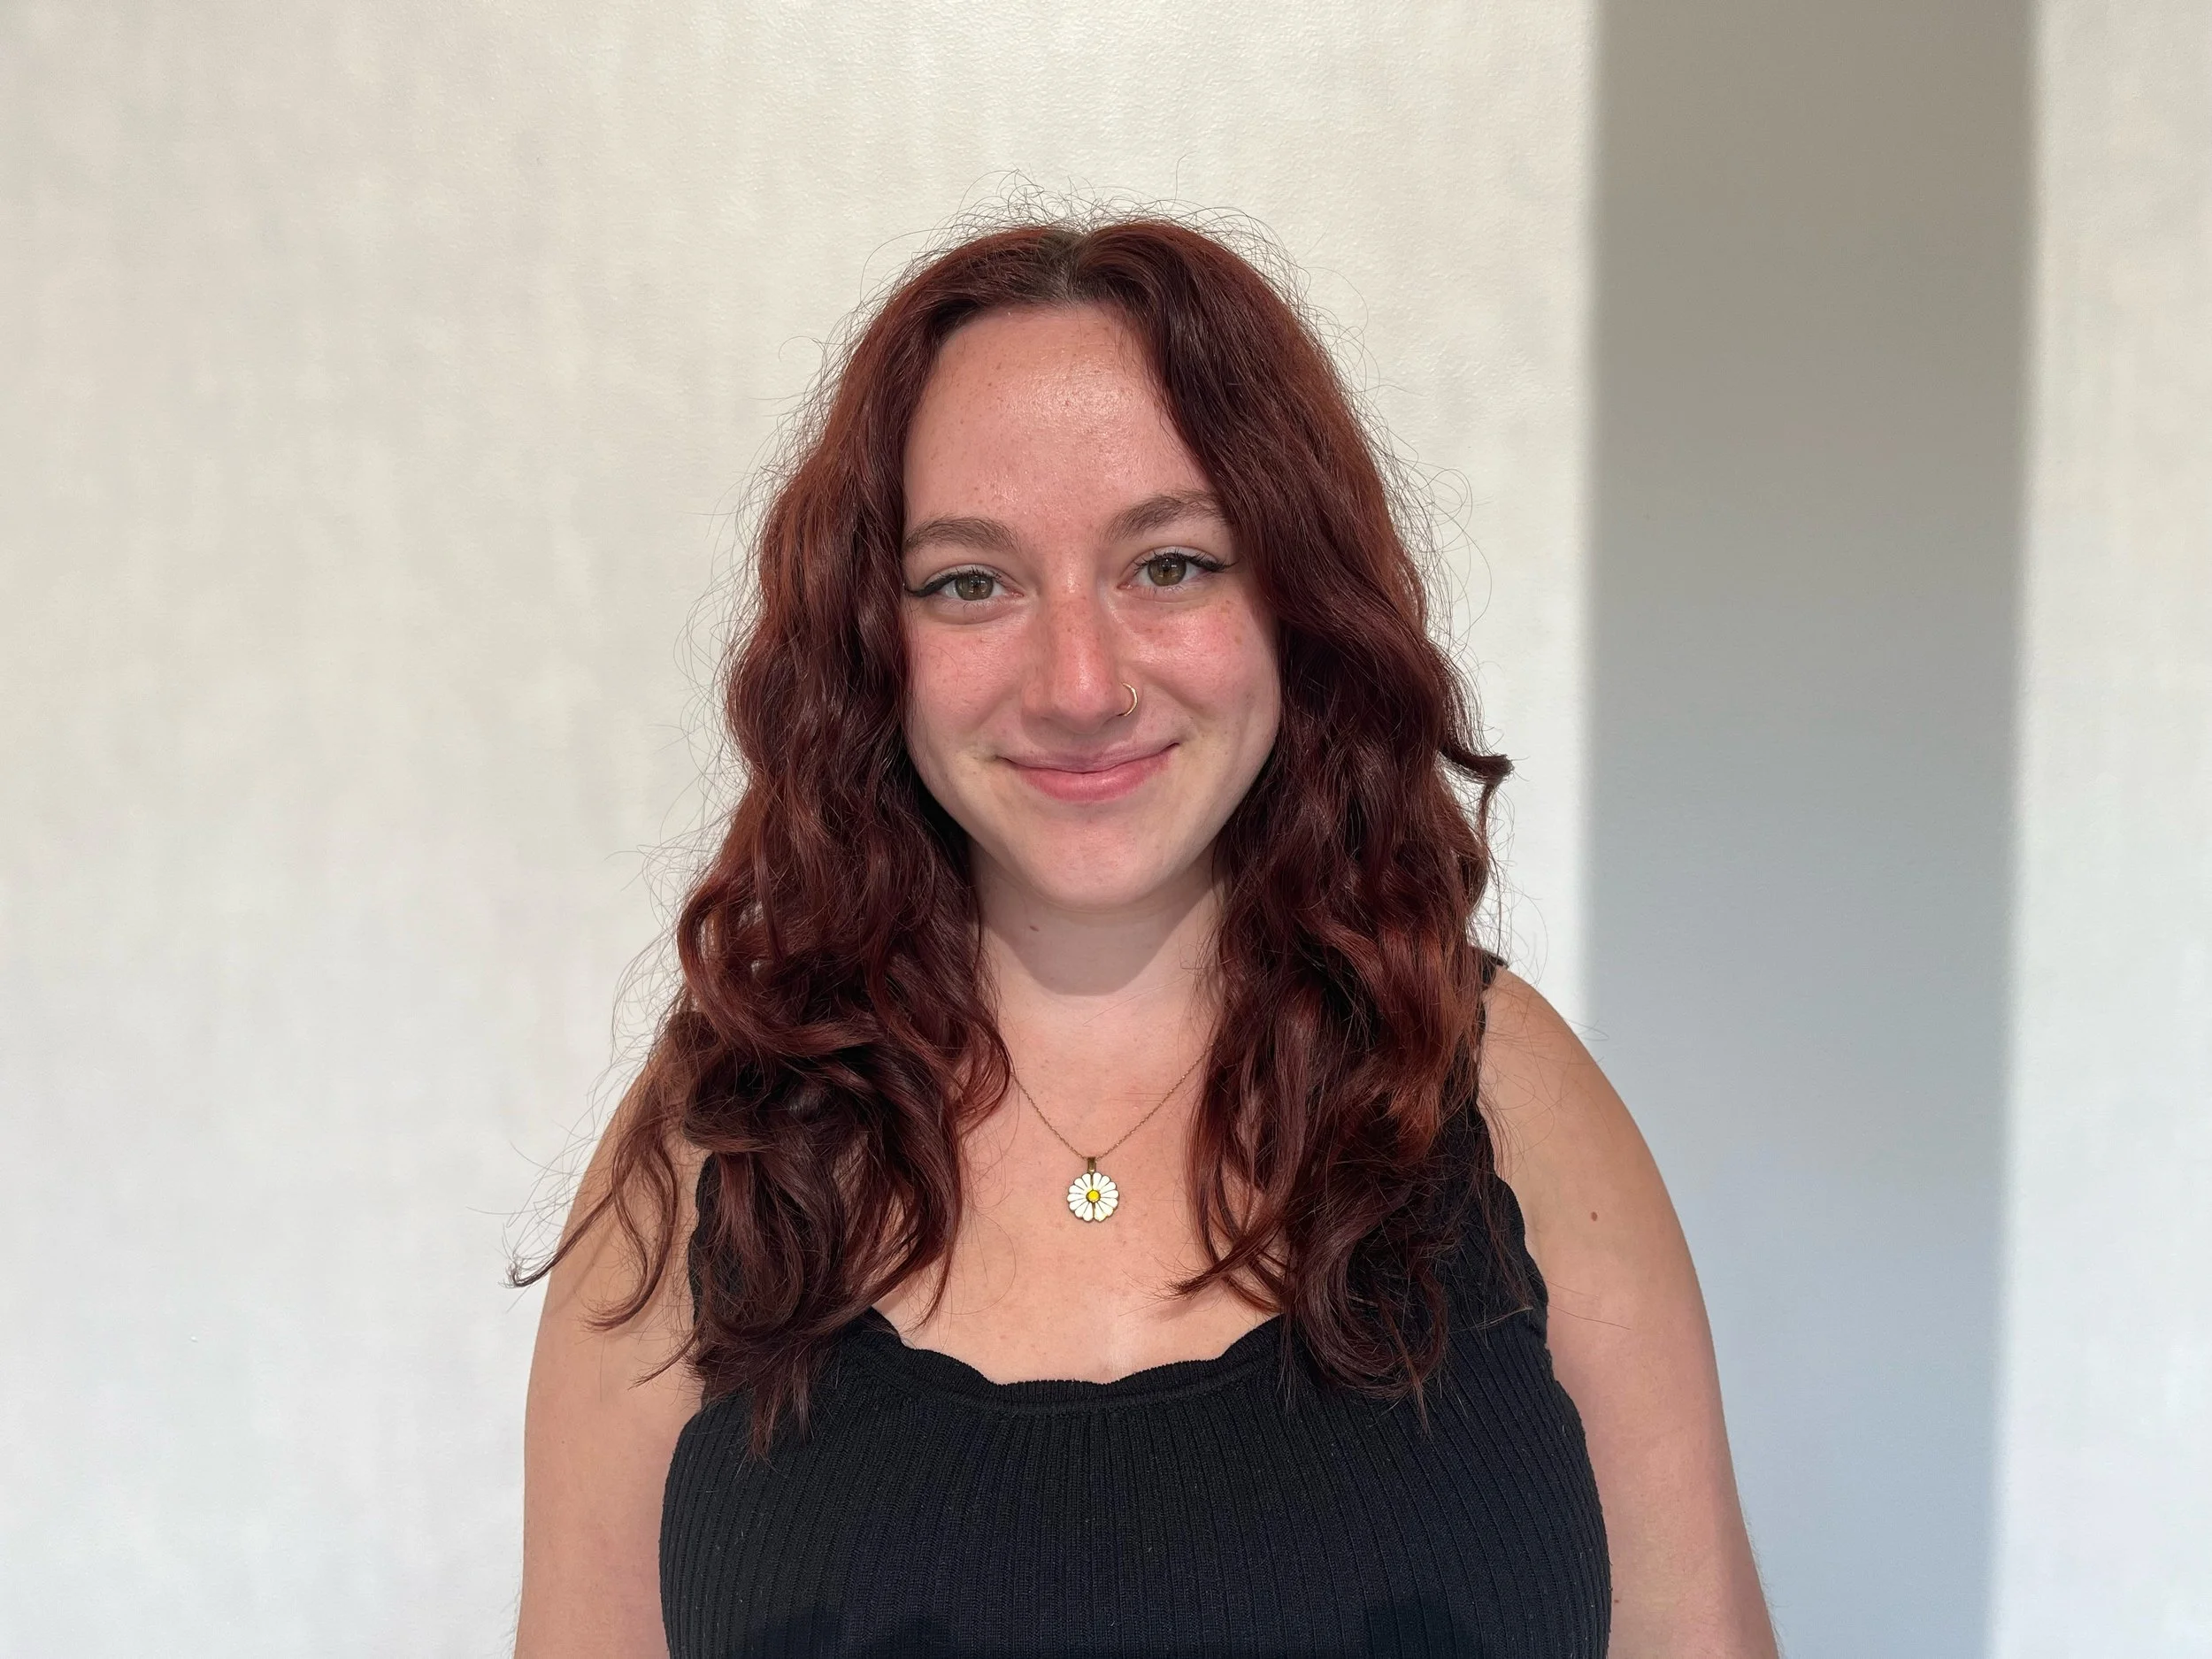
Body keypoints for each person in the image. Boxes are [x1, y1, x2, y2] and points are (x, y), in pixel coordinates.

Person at [512, 214, 1777, 1658]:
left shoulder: (1502, 1093)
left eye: (1168, 564)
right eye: (971, 581)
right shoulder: (715, 1152)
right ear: (876, 637)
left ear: (1296, 594)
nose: (1079, 682)